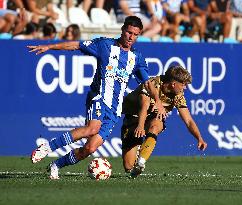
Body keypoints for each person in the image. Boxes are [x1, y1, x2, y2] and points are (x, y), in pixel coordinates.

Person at [27, 16, 166, 180]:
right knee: (92, 128)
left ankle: (56, 165)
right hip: (98, 97)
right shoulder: (105, 45)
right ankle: (48, 147)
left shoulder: (137, 58)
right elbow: (76, 45)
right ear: (122, 30)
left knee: (90, 148)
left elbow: (148, 83)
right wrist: (50, 47)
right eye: (129, 32)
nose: (131, 37)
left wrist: (157, 100)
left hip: (115, 110)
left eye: (135, 34)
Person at [121, 65, 207, 178]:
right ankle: (137, 155)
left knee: (156, 124)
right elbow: (144, 105)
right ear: (173, 84)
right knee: (128, 166)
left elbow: (188, 120)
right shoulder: (152, 84)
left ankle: (141, 161)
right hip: (133, 119)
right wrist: (140, 126)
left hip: (152, 120)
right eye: (183, 84)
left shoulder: (178, 96)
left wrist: (199, 138)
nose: (185, 88)